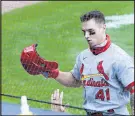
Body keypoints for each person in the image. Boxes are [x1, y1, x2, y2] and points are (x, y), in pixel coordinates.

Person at [21, 10, 134, 116]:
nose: (86, 36)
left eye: (91, 32)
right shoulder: (83, 57)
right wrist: (50, 71)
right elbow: (75, 80)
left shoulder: (120, 58)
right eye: (84, 32)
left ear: (103, 27)